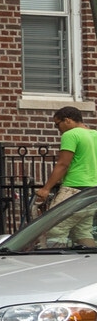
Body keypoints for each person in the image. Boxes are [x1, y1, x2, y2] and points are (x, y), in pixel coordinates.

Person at [39, 105, 97, 247]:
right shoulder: (95, 134)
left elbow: (63, 164)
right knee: (82, 233)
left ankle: (53, 263)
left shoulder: (71, 135)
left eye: (57, 124)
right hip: (92, 193)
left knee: (53, 230)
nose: (58, 129)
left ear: (68, 120)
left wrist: (46, 189)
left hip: (73, 190)